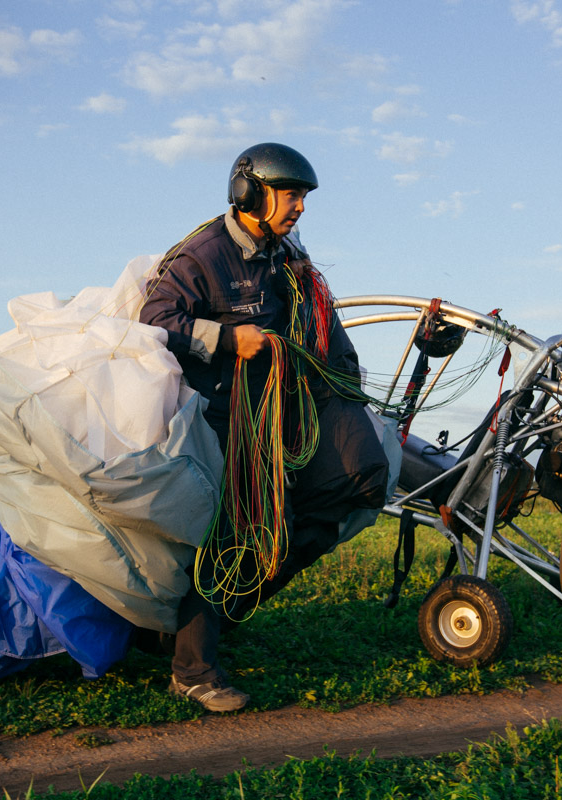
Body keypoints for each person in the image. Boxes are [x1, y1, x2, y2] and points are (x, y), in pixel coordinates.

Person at [138, 142, 390, 712]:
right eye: (291, 194)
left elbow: (316, 316)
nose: (300, 207)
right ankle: (192, 670)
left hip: (286, 412)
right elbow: (153, 321)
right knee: (235, 534)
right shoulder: (202, 254)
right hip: (228, 422)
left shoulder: (286, 253)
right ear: (250, 193)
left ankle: (223, 611)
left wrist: (345, 381)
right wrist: (227, 338)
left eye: (303, 197)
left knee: (354, 485)